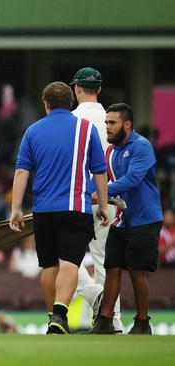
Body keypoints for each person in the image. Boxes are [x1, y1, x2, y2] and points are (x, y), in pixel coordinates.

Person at [9, 81, 109, 334]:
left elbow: (22, 171)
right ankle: (60, 315)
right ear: (71, 103)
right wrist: (104, 206)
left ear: (45, 104)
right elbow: (99, 170)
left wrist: (16, 208)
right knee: (69, 264)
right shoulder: (85, 129)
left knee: (49, 265)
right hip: (76, 207)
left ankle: (52, 318)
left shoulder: (33, 131)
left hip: (44, 209)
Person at [89, 103, 163, 335]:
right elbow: (100, 180)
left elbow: (133, 179)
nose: (107, 127)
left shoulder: (142, 147)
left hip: (145, 218)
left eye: (112, 123)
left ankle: (142, 323)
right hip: (122, 219)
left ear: (127, 125)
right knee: (111, 266)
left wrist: (102, 193)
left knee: (135, 269)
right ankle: (105, 321)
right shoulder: (110, 152)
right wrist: (84, 195)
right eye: (106, 123)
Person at [70, 67, 123, 332]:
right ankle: (112, 320)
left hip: (78, 198)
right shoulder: (111, 120)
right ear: (99, 89)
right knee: (106, 261)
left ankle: (92, 294)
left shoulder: (70, 120)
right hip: (109, 197)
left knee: (65, 256)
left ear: (76, 89)